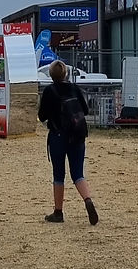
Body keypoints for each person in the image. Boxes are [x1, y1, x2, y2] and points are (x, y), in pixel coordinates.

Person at [37, 60, 98, 225]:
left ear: (51, 75)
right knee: (78, 173)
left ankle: (58, 212)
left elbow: (42, 116)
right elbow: (85, 110)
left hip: (58, 136)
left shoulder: (50, 91)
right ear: (65, 73)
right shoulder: (74, 88)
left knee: (59, 174)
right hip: (77, 135)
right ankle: (87, 199)